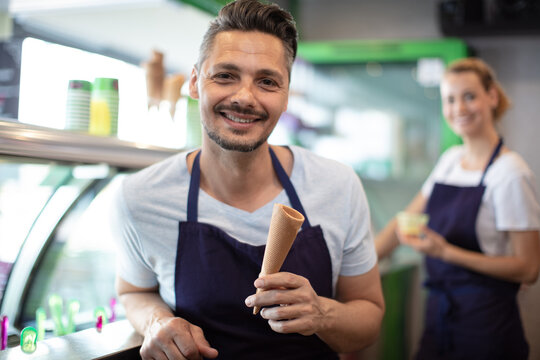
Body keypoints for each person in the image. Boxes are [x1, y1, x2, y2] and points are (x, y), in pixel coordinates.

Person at [112, 1, 384, 359]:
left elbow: (368, 318)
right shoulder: (140, 196)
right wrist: (155, 322)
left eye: (267, 81)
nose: (244, 97)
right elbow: (134, 292)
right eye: (225, 75)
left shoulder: (337, 185)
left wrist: (322, 314)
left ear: (286, 95)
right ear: (195, 82)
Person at [376, 57, 540, 360]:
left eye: (469, 96)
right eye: (450, 99)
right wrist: (358, 265)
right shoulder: (450, 160)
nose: (459, 109)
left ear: (491, 97)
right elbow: (405, 222)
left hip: (487, 324)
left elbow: (529, 268)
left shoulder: (510, 173)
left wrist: (447, 252)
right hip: (439, 316)